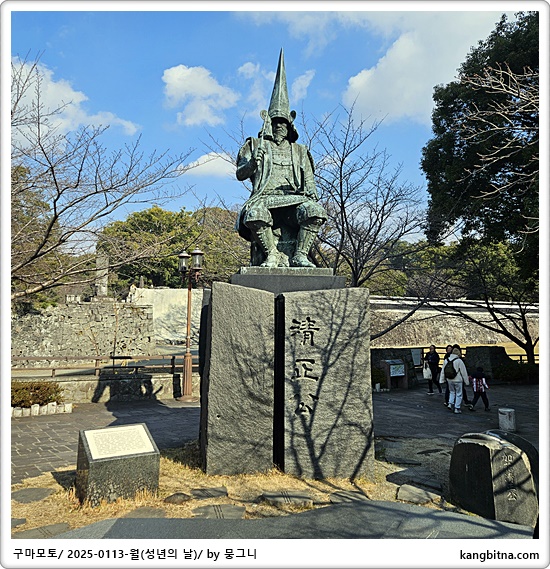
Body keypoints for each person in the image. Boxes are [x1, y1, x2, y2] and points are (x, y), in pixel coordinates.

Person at [236, 49, 327, 268]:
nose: (279, 126)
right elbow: (240, 174)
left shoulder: (300, 151)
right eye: (275, 122)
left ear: (290, 126)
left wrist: (310, 192)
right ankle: (271, 255)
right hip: (264, 199)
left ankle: (300, 255)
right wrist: (253, 163)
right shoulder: (255, 144)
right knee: (254, 214)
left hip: (293, 202)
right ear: (268, 123)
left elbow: (310, 184)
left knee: (315, 211)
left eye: (283, 122)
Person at [444, 344, 469, 414]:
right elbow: (464, 372)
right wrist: (466, 381)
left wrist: (442, 379)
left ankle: (450, 403)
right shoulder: (459, 361)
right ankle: (457, 408)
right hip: (458, 380)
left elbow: (443, 371)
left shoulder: (446, 360)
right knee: (459, 394)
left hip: (449, 379)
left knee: (452, 392)